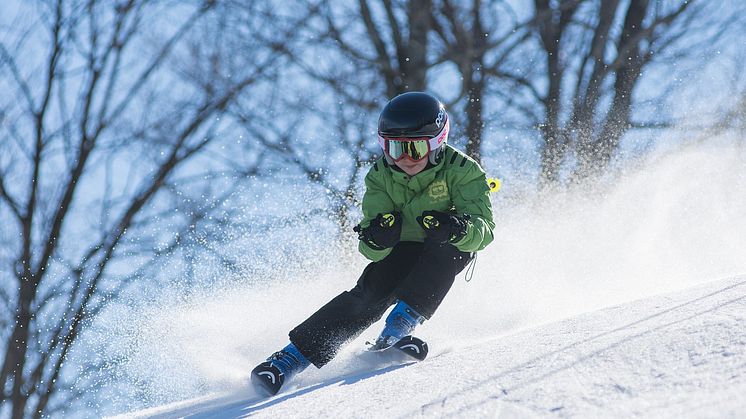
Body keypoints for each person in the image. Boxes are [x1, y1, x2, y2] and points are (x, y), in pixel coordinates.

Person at [250, 91, 495, 396]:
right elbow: (369, 247)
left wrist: (457, 228)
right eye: (394, 149)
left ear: (436, 144)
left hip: (444, 245)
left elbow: (484, 231)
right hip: (402, 247)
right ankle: (288, 360)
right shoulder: (380, 175)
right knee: (371, 292)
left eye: (415, 149)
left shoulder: (463, 170)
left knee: (450, 252)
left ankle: (399, 328)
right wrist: (378, 237)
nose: (404, 159)